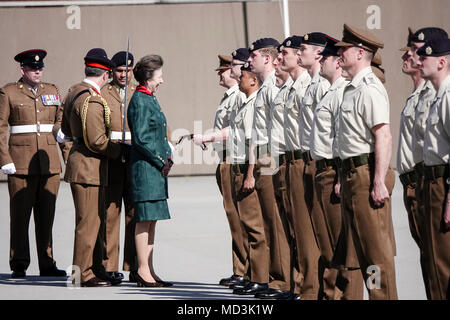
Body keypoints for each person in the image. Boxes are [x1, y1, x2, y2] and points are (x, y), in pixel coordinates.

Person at [335, 24, 397, 299]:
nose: (340, 53)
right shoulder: (352, 88)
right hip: (351, 174)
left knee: (375, 254)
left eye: (344, 49)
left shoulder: (369, 88)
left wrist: (378, 181)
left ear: (360, 53)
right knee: (360, 250)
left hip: (364, 173)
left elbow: (382, 134)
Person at [0, 49, 66, 278]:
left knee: (46, 217)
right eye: (32, 68)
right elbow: (0, 128)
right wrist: (4, 159)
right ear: (23, 70)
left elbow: (60, 122)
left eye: (40, 68)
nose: (37, 71)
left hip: (49, 164)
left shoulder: (52, 90)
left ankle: (47, 263)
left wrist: (66, 153)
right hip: (20, 165)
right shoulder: (8, 92)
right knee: (20, 218)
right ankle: (19, 263)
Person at [62, 48, 124, 287]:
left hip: (83, 163)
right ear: (106, 75)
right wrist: (119, 150)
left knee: (92, 222)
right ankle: (82, 274)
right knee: (88, 224)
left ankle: (94, 268)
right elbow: (98, 141)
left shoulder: (74, 92)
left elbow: (66, 130)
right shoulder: (92, 99)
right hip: (89, 167)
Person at [310, 37, 363, 300]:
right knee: (327, 242)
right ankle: (331, 295)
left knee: (343, 248)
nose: (323, 61)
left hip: (334, 171)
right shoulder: (330, 91)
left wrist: (341, 175)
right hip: (323, 171)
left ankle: (347, 296)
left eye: (327, 58)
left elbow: (343, 139)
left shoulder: (343, 91)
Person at [247, 37, 292, 298]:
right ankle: (276, 278)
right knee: (268, 221)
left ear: (266, 57)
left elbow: (276, 132)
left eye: (253, 56)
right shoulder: (265, 87)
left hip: (272, 156)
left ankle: (281, 280)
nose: (249, 60)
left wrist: (267, 164)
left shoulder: (274, 87)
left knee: (275, 222)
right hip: (266, 156)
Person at [407, 27, 448, 299]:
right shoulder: (435, 96)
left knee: (443, 264)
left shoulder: (446, 97)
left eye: (425, 57)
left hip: (442, 186)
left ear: (442, 62)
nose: (418, 61)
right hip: (429, 184)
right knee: (433, 261)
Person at [127, 54, 173, 288]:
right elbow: (142, 139)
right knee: (144, 220)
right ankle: (142, 270)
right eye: (160, 76)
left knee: (152, 220)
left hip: (155, 170)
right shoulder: (140, 100)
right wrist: (160, 159)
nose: (162, 80)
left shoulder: (149, 98)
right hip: (146, 169)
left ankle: (149, 269)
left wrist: (167, 155)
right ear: (148, 77)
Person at [396, 27, 432, 298]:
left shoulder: (436, 94)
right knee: (427, 259)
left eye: (415, 49)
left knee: (439, 261)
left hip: (428, 184)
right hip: (412, 186)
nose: (407, 54)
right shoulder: (416, 95)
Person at [279, 35, 315, 300]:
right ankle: (298, 285)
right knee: (294, 229)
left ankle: (308, 288)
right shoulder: (293, 87)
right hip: (289, 160)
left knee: (305, 231)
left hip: (304, 159)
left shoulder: (307, 86)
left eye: (286, 53)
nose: (282, 58)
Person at [101, 51, 138, 283]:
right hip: (112, 158)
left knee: (134, 214)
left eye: (128, 70)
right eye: (119, 70)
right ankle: (109, 265)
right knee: (110, 213)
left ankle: (134, 265)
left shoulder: (140, 92)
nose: (124, 75)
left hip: (135, 159)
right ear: (112, 71)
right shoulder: (104, 92)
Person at [212, 54, 248, 287]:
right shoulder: (230, 97)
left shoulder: (238, 97)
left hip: (234, 160)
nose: (220, 75)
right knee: (233, 219)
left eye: (223, 70)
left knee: (239, 219)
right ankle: (240, 269)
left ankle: (245, 270)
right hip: (225, 160)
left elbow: (236, 131)